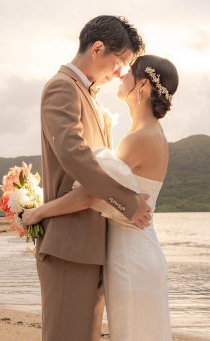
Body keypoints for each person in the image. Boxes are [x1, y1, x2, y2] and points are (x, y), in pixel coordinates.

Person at [28, 51, 179, 341]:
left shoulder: (139, 138)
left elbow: (90, 195)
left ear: (144, 85)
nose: (122, 74)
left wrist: (38, 212)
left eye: (129, 70)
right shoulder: (152, 133)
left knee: (132, 333)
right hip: (140, 248)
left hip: (130, 254)